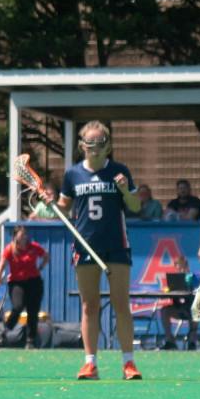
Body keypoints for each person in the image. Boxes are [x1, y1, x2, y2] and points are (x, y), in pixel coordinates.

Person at [59, 121, 144, 379]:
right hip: (85, 245)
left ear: (108, 146)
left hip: (116, 244)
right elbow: (64, 206)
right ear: (82, 145)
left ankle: (128, 363)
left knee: (121, 304)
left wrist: (123, 190)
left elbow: (135, 206)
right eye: (89, 143)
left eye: (99, 143)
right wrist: (48, 205)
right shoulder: (73, 174)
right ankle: (90, 363)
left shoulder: (119, 171)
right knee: (89, 305)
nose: (94, 148)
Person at [0, 223, 48, 349]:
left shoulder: (33, 247)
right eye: (21, 235)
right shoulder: (10, 249)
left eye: (25, 235)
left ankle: (30, 341)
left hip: (34, 281)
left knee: (33, 311)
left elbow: (46, 256)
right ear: (15, 237)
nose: (24, 238)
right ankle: (7, 329)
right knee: (18, 306)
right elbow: (2, 265)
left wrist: (41, 267)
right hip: (17, 282)